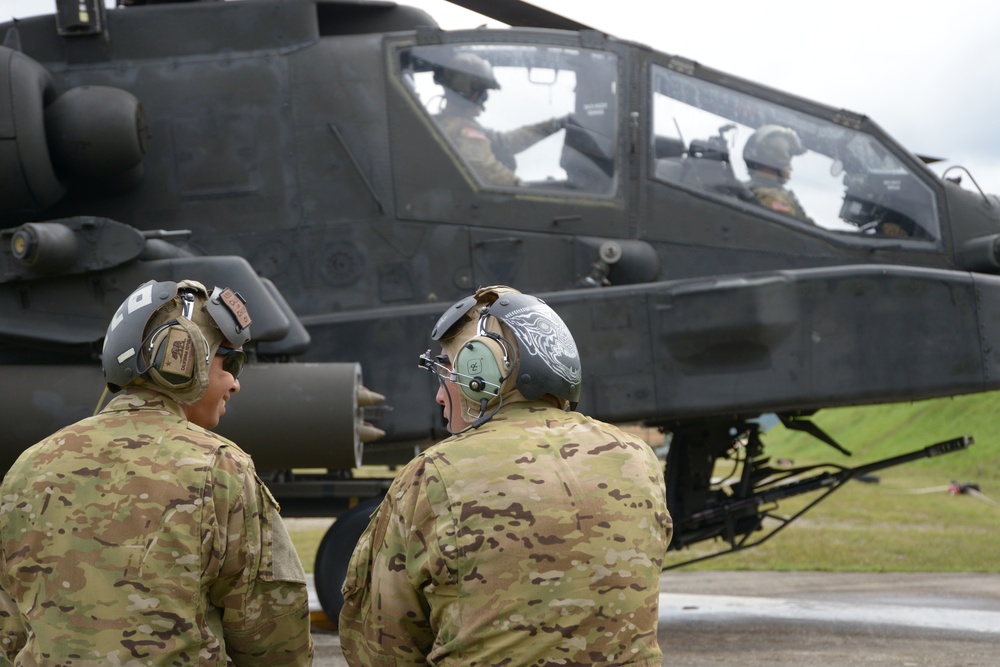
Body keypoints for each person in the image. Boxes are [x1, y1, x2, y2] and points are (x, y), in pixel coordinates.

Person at [339, 284, 672, 666]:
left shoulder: (433, 474)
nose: (440, 395)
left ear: (480, 374)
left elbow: (381, 645)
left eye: (449, 371)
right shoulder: (636, 459)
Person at [0, 279, 313, 665]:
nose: (235, 383)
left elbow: (10, 632)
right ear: (180, 361)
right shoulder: (221, 468)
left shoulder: (27, 468)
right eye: (230, 363)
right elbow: (273, 637)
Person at [433, 52, 568, 187]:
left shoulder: (448, 125)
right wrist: (521, 188)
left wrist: (555, 125)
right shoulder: (465, 132)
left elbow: (504, 142)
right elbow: (489, 171)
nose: (485, 100)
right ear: (470, 94)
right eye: (483, 93)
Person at [743, 124, 812, 220]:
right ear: (777, 159)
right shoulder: (774, 197)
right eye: (788, 162)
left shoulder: (745, 189)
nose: (791, 168)